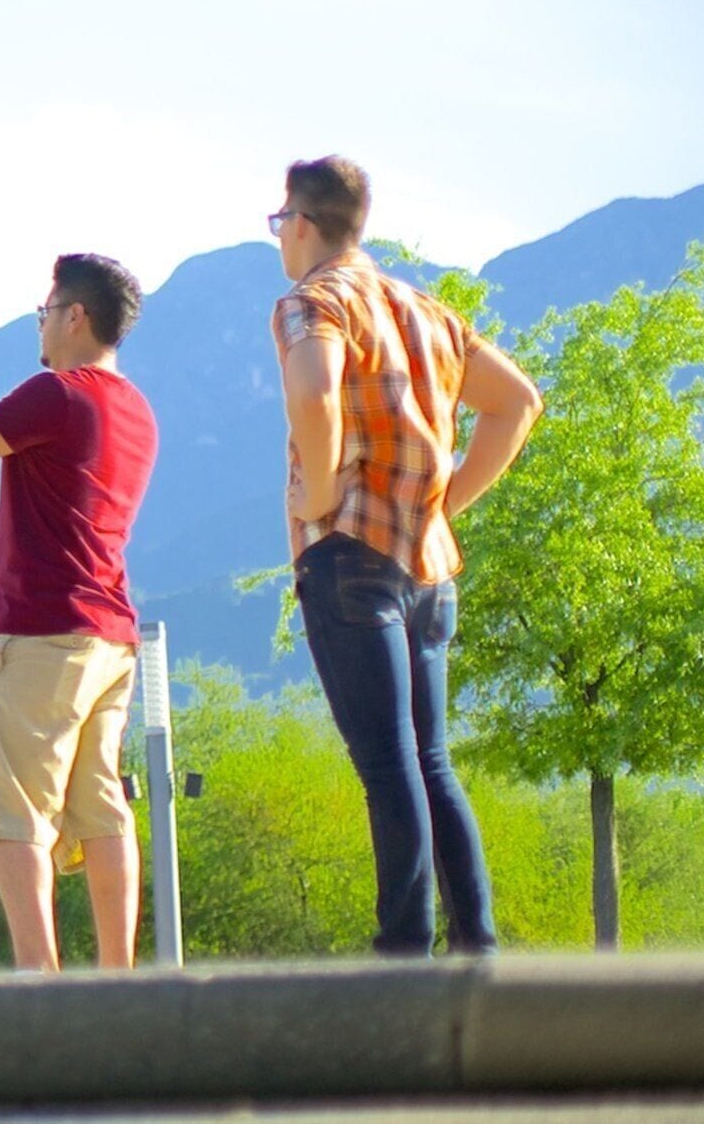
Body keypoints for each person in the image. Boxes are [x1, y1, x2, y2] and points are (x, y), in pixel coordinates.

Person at [267, 155, 544, 957]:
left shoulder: (311, 300)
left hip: (348, 558)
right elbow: (517, 402)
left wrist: (320, 496)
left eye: (280, 221)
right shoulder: (422, 309)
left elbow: (315, 393)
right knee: (430, 762)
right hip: (428, 567)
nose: (279, 236)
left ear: (306, 224)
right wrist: (443, 503)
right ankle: (476, 951)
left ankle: (402, 960)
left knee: (388, 767)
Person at [0, 253, 160, 971]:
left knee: (14, 812)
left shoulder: (56, 392)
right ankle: (117, 977)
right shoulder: (131, 407)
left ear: (75, 316)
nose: (40, 321)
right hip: (109, 637)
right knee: (101, 805)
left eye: (46, 309)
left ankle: (38, 985)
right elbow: (37, 451)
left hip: (40, 635)